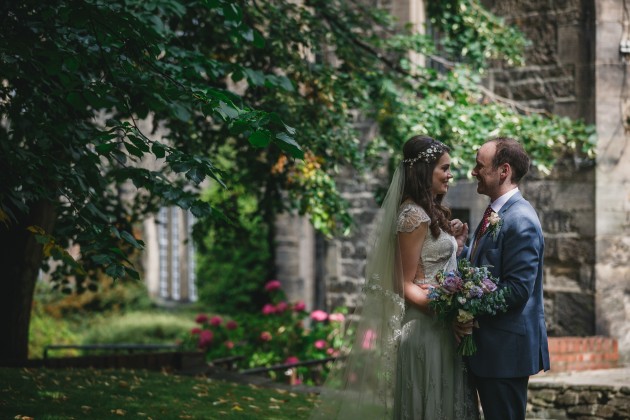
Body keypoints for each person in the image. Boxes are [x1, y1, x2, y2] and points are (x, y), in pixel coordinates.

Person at [311, 135, 478, 419]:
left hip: (442, 330)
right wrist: (449, 312)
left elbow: (432, 265)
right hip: (426, 329)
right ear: (425, 170)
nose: (451, 175)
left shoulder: (428, 211)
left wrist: (456, 246)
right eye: (445, 168)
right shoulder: (412, 216)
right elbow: (402, 283)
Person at [462, 137, 550, 420]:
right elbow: (488, 265)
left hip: (504, 353)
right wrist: (462, 246)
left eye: (480, 166)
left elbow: (516, 290)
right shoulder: (495, 213)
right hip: (487, 351)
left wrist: (464, 306)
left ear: (504, 171)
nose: (474, 172)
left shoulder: (520, 219)